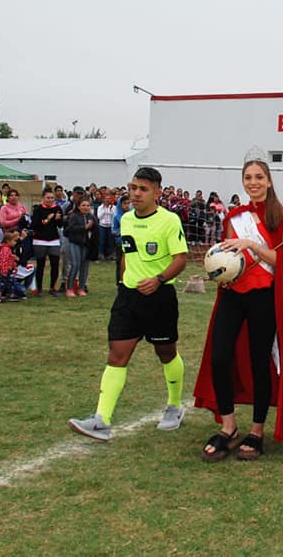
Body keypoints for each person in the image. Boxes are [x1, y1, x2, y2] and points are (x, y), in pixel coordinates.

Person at [194, 155, 283, 461]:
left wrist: (251, 245)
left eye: (258, 177)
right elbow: (226, 257)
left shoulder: (281, 218)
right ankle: (228, 427)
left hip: (264, 296)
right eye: (248, 178)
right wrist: (215, 265)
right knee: (220, 356)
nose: (253, 183)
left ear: (269, 180)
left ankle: (256, 430)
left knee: (257, 361)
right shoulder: (233, 217)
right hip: (232, 294)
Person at [69, 167, 189, 442]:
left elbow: (180, 259)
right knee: (117, 354)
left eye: (143, 189)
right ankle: (102, 420)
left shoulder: (169, 221)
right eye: (133, 187)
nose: (135, 193)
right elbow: (127, 253)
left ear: (157, 193)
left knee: (166, 352)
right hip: (128, 297)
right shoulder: (126, 219)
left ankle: (174, 405)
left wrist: (158, 279)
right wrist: (124, 281)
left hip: (160, 297)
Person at [31, 187, 65, 296]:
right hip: (40, 240)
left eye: (52, 198)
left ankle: (52, 288)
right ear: (43, 198)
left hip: (53, 240)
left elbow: (60, 225)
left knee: (55, 265)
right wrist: (47, 219)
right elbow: (35, 225)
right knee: (40, 265)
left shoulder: (57, 208)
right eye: (48, 198)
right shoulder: (38, 209)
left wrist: (58, 219)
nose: (50, 200)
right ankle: (39, 288)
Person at [64, 199, 97, 297]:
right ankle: (69, 288)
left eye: (88, 205)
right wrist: (84, 228)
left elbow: (96, 229)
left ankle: (81, 288)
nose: (86, 207)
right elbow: (70, 229)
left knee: (84, 267)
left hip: (86, 244)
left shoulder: (92, 217)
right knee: (75, 265)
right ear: (79, 207)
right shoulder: (74, 216)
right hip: (75, 243)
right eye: (83, 205)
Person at [0, 231, 27, 302]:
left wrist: (14, 259)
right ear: (8, 241)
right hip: (4, 271)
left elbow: (9, 258)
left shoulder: (7, 249)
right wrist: (4, 271)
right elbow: (4, 261)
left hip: (8, 270)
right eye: (14, 241)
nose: (15, 243)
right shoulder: (5, 249)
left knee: (10, 283)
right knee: (2, 285)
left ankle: (13, 295)